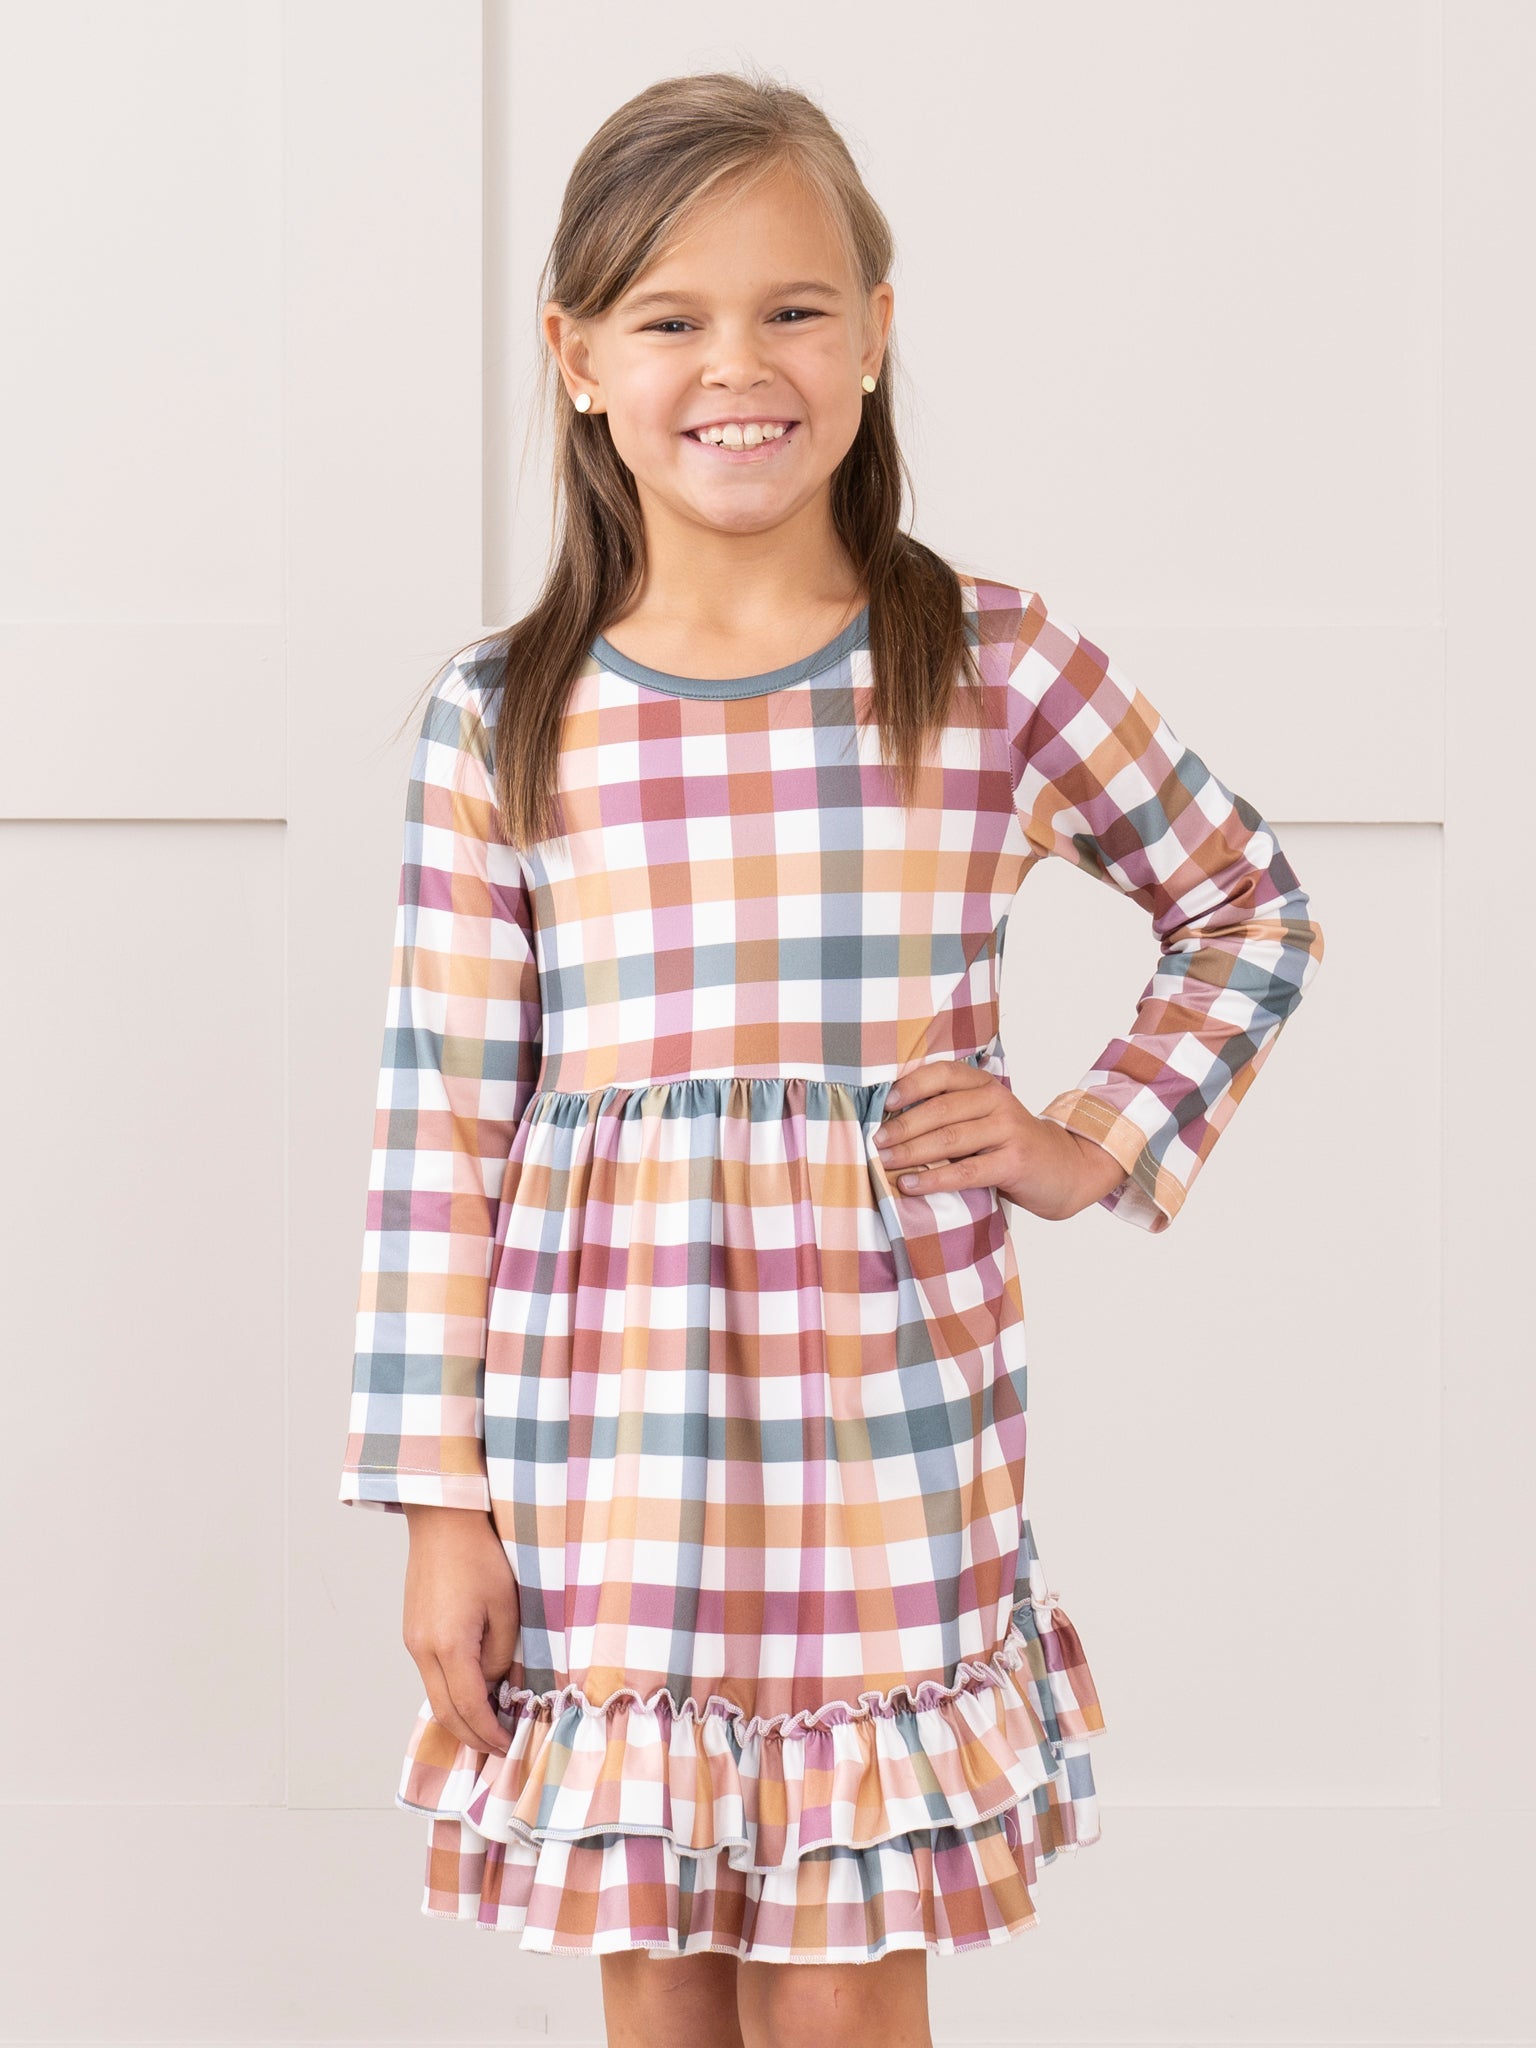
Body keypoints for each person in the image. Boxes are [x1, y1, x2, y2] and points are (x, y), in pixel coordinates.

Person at [337, 66, 1324, 2048]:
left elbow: (1245, 905)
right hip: (605, 1438)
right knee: (665, 1970)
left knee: (841, 1985)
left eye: (792, 309)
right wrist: (442, 1507)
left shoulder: (988, 665)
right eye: (672, 319)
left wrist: (1084, 1137)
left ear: (874, 331)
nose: (738, 367)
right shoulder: (504, 715)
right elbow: (442, 1131)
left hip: (890, 1418)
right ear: (579, 358)